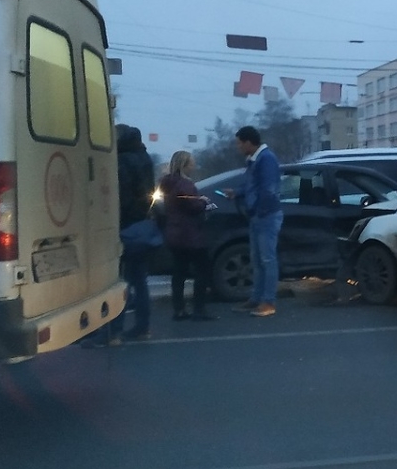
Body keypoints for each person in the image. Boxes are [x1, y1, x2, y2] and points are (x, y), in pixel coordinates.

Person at [225, 126, 282, 318]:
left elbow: (268, 189)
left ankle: (268, 301)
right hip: (258, 216)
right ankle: (256, 298)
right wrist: (237, 193)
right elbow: (252, 185)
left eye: (240, 143)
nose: (238, 147)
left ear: (249, 142)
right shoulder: (254, 160)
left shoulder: (266, 159)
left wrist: (258, 210)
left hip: (266, 216)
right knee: (257, 260)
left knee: (267, 259)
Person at [158, 151, 216, 322]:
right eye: (192, 163)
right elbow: (192, 206)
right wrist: (204, 201)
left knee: (179, 272)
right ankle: (199, 309)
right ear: (184, 165)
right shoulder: (185, 184)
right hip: (190, 235)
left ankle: (179, 309)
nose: (194, 166)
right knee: (202, 271)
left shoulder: (168, 183)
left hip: (174, 233)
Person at [114, 123, 156, 341]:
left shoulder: (122, 161)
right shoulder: (145, 158)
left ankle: (115, 328)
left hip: (126, 224)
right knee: (139, 279)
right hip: (142, 223)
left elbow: (121, 194)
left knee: (120, 279)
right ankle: (143, 326)